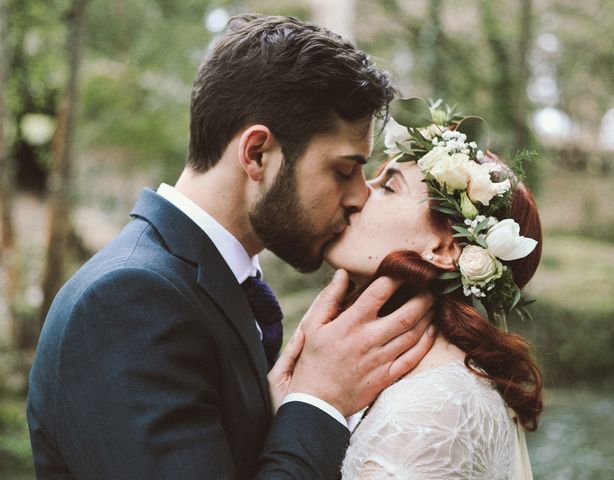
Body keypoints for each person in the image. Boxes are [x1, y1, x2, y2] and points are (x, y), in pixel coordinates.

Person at [26, 15, 436, 480]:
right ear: (257, 153)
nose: (361, 195)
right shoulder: (127, 300)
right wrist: (320, 400)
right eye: (344, 170)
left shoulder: (220, 288)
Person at [324, 101, 544, 479]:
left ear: (444, 249)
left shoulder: (430, 411)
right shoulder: (413, 380)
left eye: (388, 187)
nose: (359, 192)